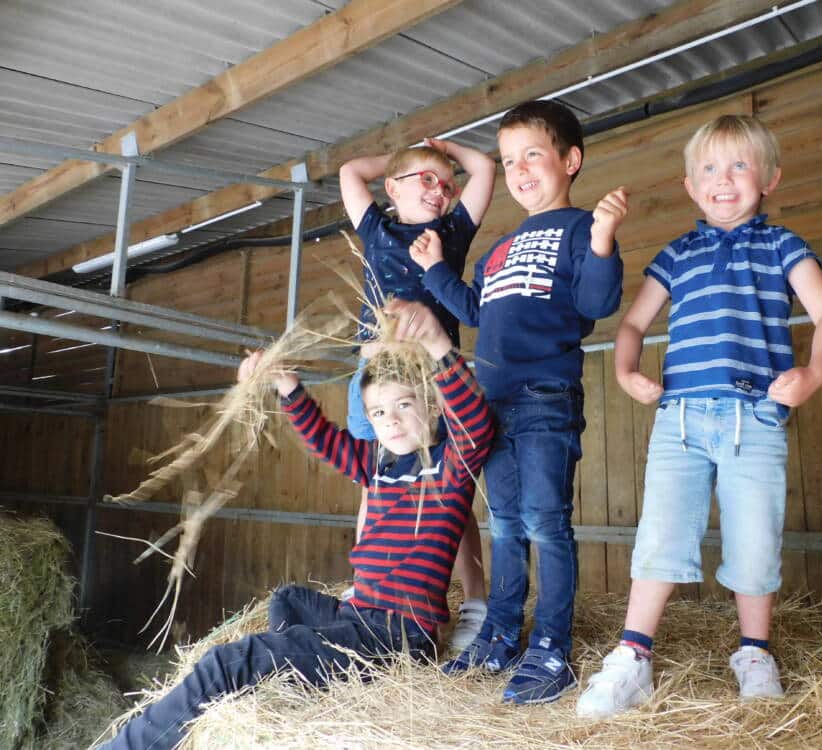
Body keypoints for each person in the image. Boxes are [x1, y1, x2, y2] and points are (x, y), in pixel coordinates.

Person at [101, 300, 495, 750]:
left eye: (404, 404)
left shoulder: (447, 468)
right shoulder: (378, 465)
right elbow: (325, 441)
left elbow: (476, 424)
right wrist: (288, 386)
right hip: (358, 616)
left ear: (432, 404)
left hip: (395, 638)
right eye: (379, 413)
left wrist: (438, 344)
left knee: (229, 662)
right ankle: (295, 674)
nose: (392, 421)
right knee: (289, 598)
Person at [576, 114, 822, 719]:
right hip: (678, 420)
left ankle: (754, 653)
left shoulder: (782, 246)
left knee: (755, 536)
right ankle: (633, 656)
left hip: (755, 416)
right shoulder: (677, 254)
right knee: (661, 532)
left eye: (739, 165)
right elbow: (633, 324)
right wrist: (627, 372)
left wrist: (815, 372)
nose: (723, 180)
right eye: (709, 170)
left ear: (769, 178)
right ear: (689, 186)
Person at [410, 99, 628, 705]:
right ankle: (503, 630)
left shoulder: (583, 227)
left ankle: (552, 646)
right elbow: (477, 311)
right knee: (504, 521)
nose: (520, 168)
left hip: (545, 396)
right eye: (509, 161)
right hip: (490, 403)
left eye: (533, 153)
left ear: (570, 160)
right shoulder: (498, 249)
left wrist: (606, 238)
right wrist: (434, 272)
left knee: (545, 522)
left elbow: (597, 302)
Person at [339, 139, 496, 651]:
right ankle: (369, 593)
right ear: (392, 189)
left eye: (447, 185)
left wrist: (443, 152)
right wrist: (408, 159)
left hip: (432, 378)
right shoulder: (377, 228)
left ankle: (475, 600)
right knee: (374, 484)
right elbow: (348, 170)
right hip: (375, 374)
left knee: (453, 488)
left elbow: (485, 168)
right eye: (425, 180)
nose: (441, 189)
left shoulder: (450, 231)